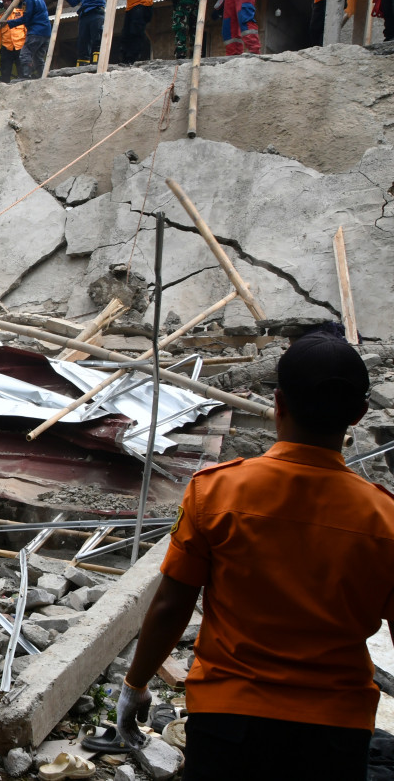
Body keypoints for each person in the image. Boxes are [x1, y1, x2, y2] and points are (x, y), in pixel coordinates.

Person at [116, 329, 392, 781]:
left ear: (278, 405)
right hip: (336, 731)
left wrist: (136, 685)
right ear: (360, 414)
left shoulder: (217, 490)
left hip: (229, 721)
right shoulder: (386, 518)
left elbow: (172, 604)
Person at [7, 0, 52, 79]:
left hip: (36, 32)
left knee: (25, 54)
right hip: (46, 32)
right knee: (38, 57)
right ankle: (43, 76)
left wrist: (9, 23)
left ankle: (26, 76)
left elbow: (26, 18)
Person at [0, 0, 27, 82]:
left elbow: (26, 29)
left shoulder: (21, 13)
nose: (6, 2)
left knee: (23, 70)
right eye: (4, 1)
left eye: (8, 0)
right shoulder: (0, 18)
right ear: (2, 3)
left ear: (12, 1)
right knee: (5, 72)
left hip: (20, 46)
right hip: (6, 48)